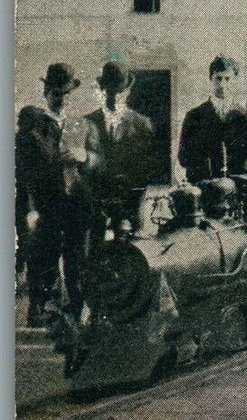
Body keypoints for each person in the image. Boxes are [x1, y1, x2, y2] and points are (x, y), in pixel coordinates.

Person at [16, 63, 95, 325]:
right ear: (46, 94)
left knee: (77, 260)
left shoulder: (81, 126)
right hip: (46, 204)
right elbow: (23, 173)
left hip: (76, 205)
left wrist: (85, 157)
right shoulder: (32, 129)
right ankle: (39, 309)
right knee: (43, 257)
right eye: (56, 94)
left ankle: (77, 308)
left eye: (66, 94)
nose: (62, 100)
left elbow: (99, 163)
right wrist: (30, 209)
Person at [84, 61, 161, 234]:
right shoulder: (88, 123)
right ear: (102, 90)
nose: (114, 97)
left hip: (131, 206)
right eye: (109, 91)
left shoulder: (142, 125)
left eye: (119, 92)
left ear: (128, 92)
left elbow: (148, 169)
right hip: (97, 208)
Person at [178, 55, 247, 183]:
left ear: (234, 80)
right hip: (205, 185)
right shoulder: (194, 116)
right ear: (210, 79)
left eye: (227, 79)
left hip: (238, 185)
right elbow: (183, 158)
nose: (222, 84)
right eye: (218, 78)